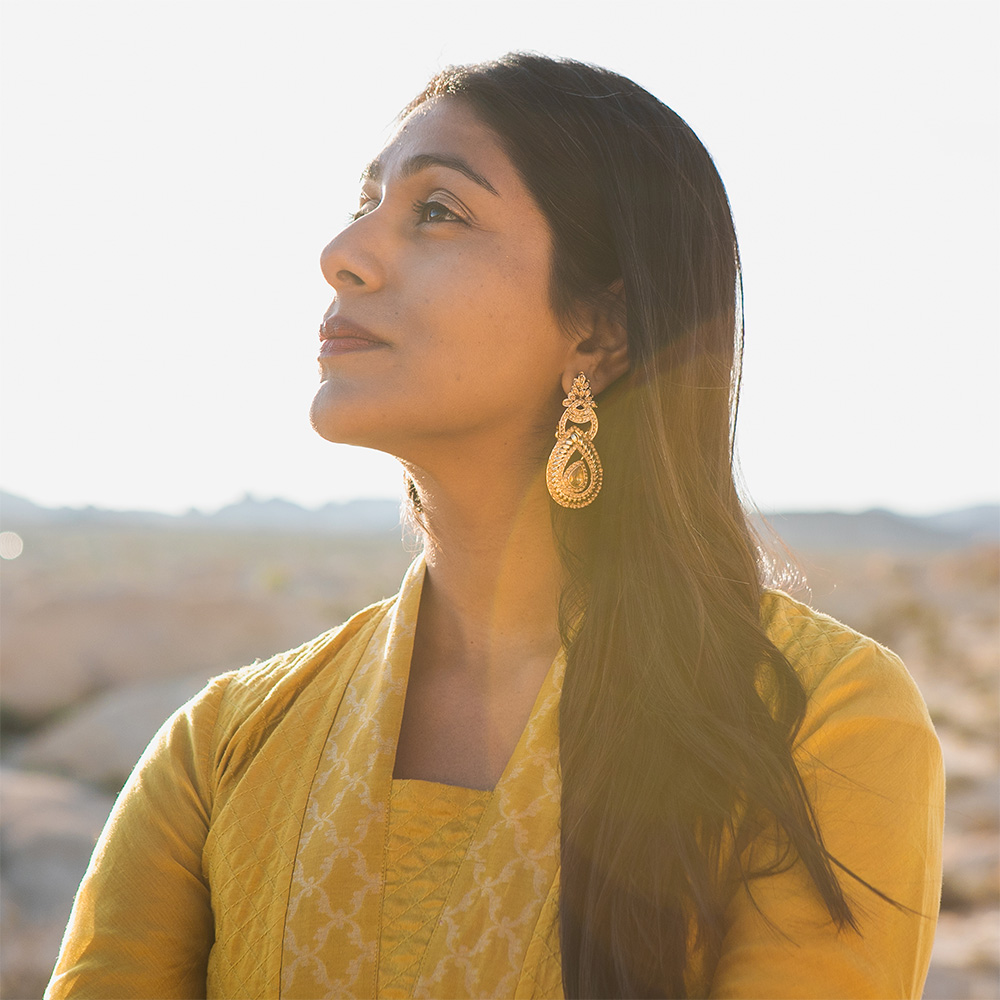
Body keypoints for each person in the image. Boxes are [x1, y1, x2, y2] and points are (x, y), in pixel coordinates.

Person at [46, 53, 943, 999]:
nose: (343, 251)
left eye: (439, 210)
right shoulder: (223, 748)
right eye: (366, 200)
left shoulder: (820, 725)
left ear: (600, 331)